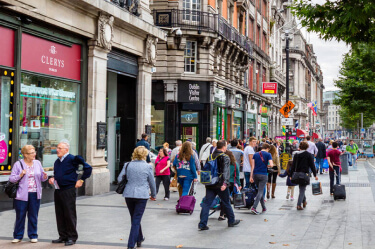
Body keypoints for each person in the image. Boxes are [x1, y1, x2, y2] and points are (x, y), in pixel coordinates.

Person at [48, 141, 92, 246]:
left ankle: (72, 237)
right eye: (57, 148)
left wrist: (81, 180)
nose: (57, 150)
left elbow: (88, 168)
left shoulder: (73, 159)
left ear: (66, 150)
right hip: (58, 190)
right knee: (59, 213)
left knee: (69, 213)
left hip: (68, 190)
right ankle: (62, 236)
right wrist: (53, 178)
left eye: (59, 148)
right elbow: (57, 174)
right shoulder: (57, 161)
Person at [117, 146, 156, 249]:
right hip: (142, 195)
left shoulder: (127, 165)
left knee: (134, 218)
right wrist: (153, 194)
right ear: (145, 154)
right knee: (136, 219)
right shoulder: (148, 167)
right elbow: (152, 182)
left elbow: (119, 178)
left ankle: (139, 238)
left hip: (129, 194)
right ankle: (131, 244)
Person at [9, 145, 48, 243]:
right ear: (25, 155)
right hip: (21, 195)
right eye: (31, 153)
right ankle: (18, 236)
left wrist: (45, 177)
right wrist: (20, 175)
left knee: (33, 215)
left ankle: (33, 235)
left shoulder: (37, 163)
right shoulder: (18, 164)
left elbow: (42, 178)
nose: (34, 154)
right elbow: (12, 179)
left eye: (34, 152)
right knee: (20, 216)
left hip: (35, 194)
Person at [199, 140, 240, 230]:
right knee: (226, 202)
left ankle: (202, 223)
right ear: (224, 147)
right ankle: (231, 221)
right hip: (220, 184)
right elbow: (226, 171)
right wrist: (225, 183)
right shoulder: (225, 157)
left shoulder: (210, 156)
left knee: (206, 203)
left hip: (210, 183)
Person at [290, 141, 318, 210]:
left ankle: (304, 201)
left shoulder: (296, 155)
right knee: (302, 189)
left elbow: (293, 166)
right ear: (307, 147)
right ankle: (299, 205)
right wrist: (315, 175)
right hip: (304, 174)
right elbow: (312, 165)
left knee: (301, 188)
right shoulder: (308, 155)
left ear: (300, 147)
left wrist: (291, 174)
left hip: (297, 174)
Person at [249, 143, 273, 214]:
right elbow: (271, 165)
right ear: (267, 148)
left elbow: (252, 166)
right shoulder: (268, 155)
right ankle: (254, 207)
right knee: (260, 191)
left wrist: (251, 176)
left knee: (260, 190)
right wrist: (267, 165)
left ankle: (264, 207)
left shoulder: (255, 154)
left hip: (255, 174)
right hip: (263, 174)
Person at [218, 150, 242, 221]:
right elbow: (237, 175)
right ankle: (225, 214)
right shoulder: (235, 164)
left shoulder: (222, 163)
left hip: (223, 183)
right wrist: (239, 184)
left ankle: (222, 214)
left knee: (223, 199)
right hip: (231, 183)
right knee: (226, 199)